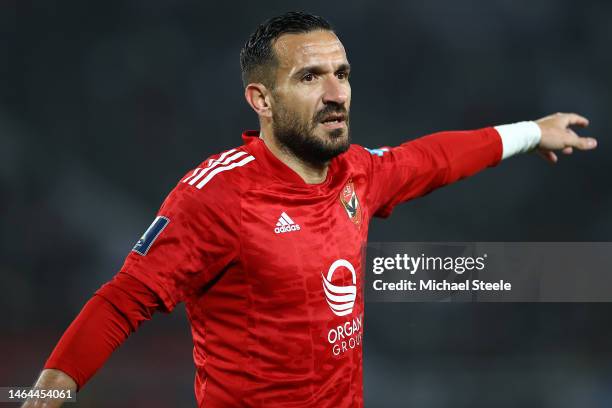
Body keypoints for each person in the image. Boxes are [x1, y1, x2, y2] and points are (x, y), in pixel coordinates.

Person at [23, 11, 596, 408]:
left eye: (342, 73)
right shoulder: (215, 197)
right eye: (310, 76)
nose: (336, 92)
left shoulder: (357, 174)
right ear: (262, 99)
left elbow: (433, 159)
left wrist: (531, 132)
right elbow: (121, 303)